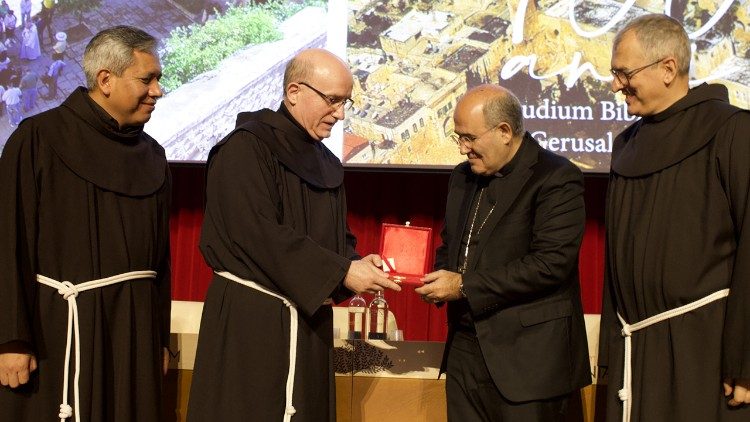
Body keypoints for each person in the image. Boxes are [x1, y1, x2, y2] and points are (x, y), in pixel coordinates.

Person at [187, 48, 401, 422]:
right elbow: (257, 234)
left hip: (307, 324)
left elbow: (335, 238)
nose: (341, 113)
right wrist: (340, 272)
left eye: (345, 101)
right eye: (333, 100)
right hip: (251, 325)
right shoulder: (246, 148)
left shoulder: (326, 163)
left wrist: (353, 263)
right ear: (294, 92)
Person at [0, 26, 171, 422]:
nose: (158, 90)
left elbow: (160, 262)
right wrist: (11, 339)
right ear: (105, 80)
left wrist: (159, 339)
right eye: (147, 79)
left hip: (133, 335)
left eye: (158, 79)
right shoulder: (38, 138)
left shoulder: (153, 155)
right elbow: (9, 242)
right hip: (57, 331)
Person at [597, 13, 750, 422]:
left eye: (624, 72)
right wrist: (611, 358)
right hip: (636, 351)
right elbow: (615, 268)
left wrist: (745, 361)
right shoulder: (626, 145)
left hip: (705, 354)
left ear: (668, 68)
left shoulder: (732, 131)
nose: (615, 84)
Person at [415, 84, 591, 421]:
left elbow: (550, 265)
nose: (463, 148)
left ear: (504, 132)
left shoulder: (556, 177)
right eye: (458, 138)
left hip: (529, 360)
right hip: (466, 350)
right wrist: (436, 276)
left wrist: (463, 285)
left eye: (469, 138)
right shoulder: (462, 178)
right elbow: (452, 244)